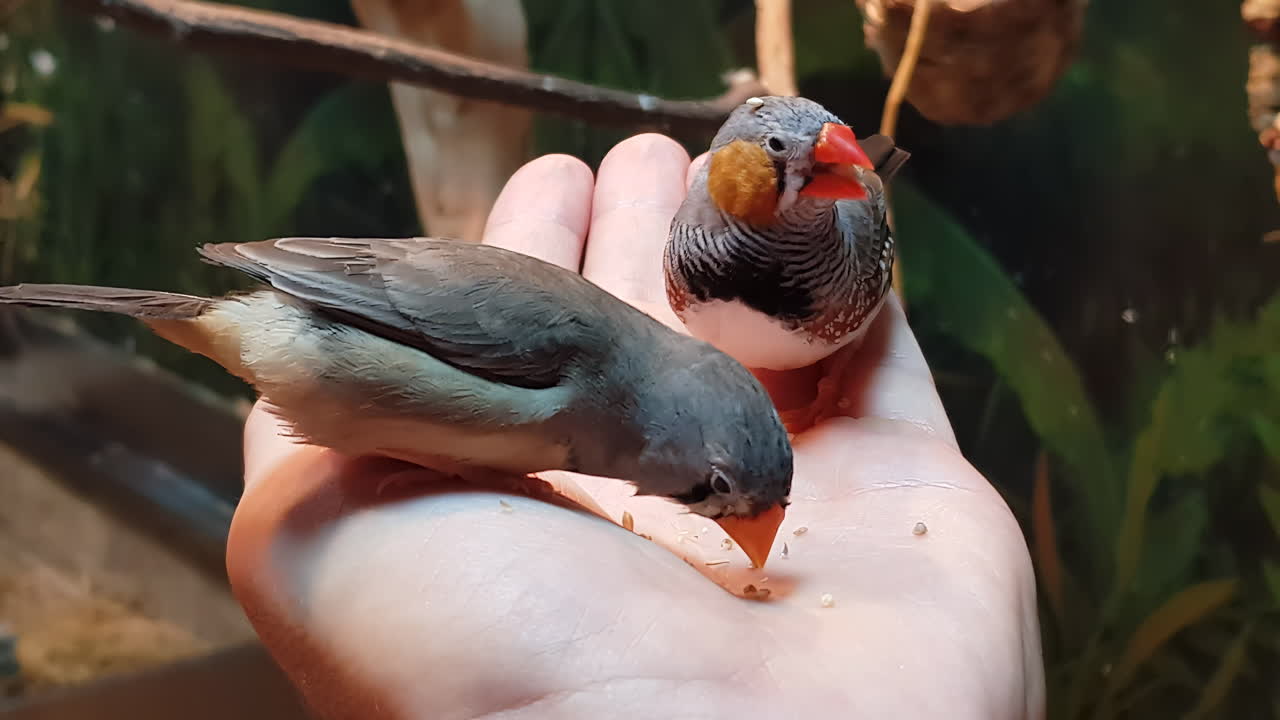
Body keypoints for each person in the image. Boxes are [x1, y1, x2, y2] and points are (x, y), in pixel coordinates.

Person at [225, 134, 1046, 719]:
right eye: (723, 491)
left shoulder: (620, 381)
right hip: (323, 328)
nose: (743, 532)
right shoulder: (575, 360)